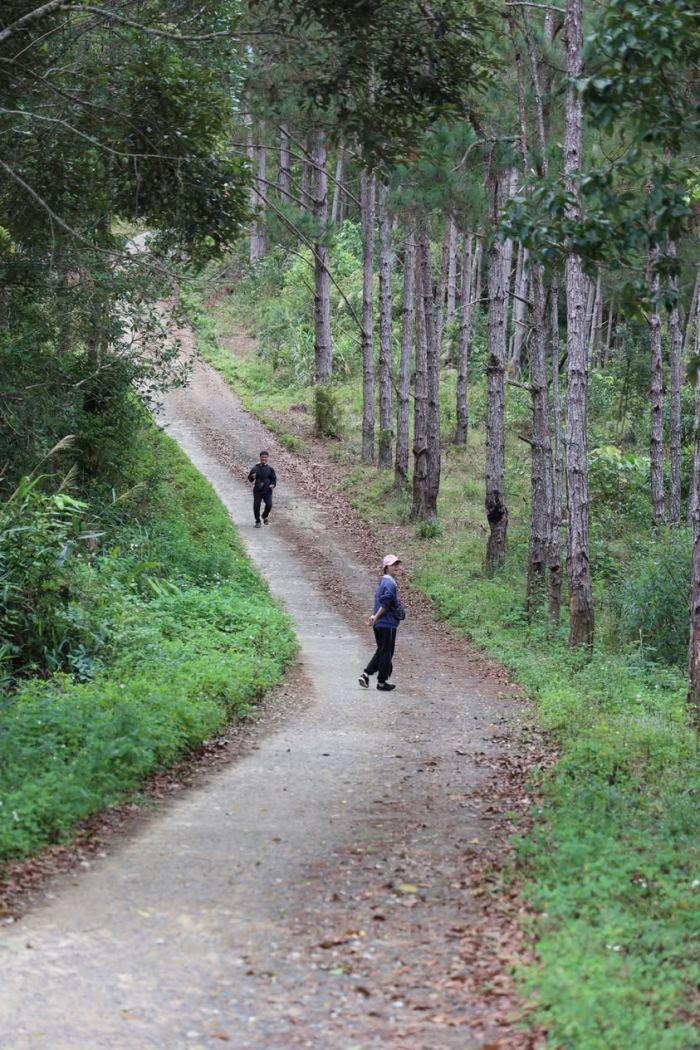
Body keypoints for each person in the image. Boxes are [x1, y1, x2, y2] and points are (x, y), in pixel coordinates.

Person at [359, 554, 405, 692]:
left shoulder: (383, 582)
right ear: (386, 568)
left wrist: (374, 617)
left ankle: (366, 674)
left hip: (380, 624)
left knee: (382, 651)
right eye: (393, 565)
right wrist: (376, 617)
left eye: (398, 564)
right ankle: (382, 682)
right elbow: (386, 603)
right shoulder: (389, 583)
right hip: (387, 623)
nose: (396, 567)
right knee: (386, 653)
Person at [247, 450, 277, 528]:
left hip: (267, 490)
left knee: (269, 504)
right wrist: (252, 477)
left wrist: (273, 485)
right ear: (260, 457)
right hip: (258, 490)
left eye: (265, 457)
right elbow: (250, 479)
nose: (264, 458)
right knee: (256, 506)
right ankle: (258, 521)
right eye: (262, 457)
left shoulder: (270, 469)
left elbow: (274, 479)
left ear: (268, 458)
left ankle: (264, 515)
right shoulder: (255, 468)